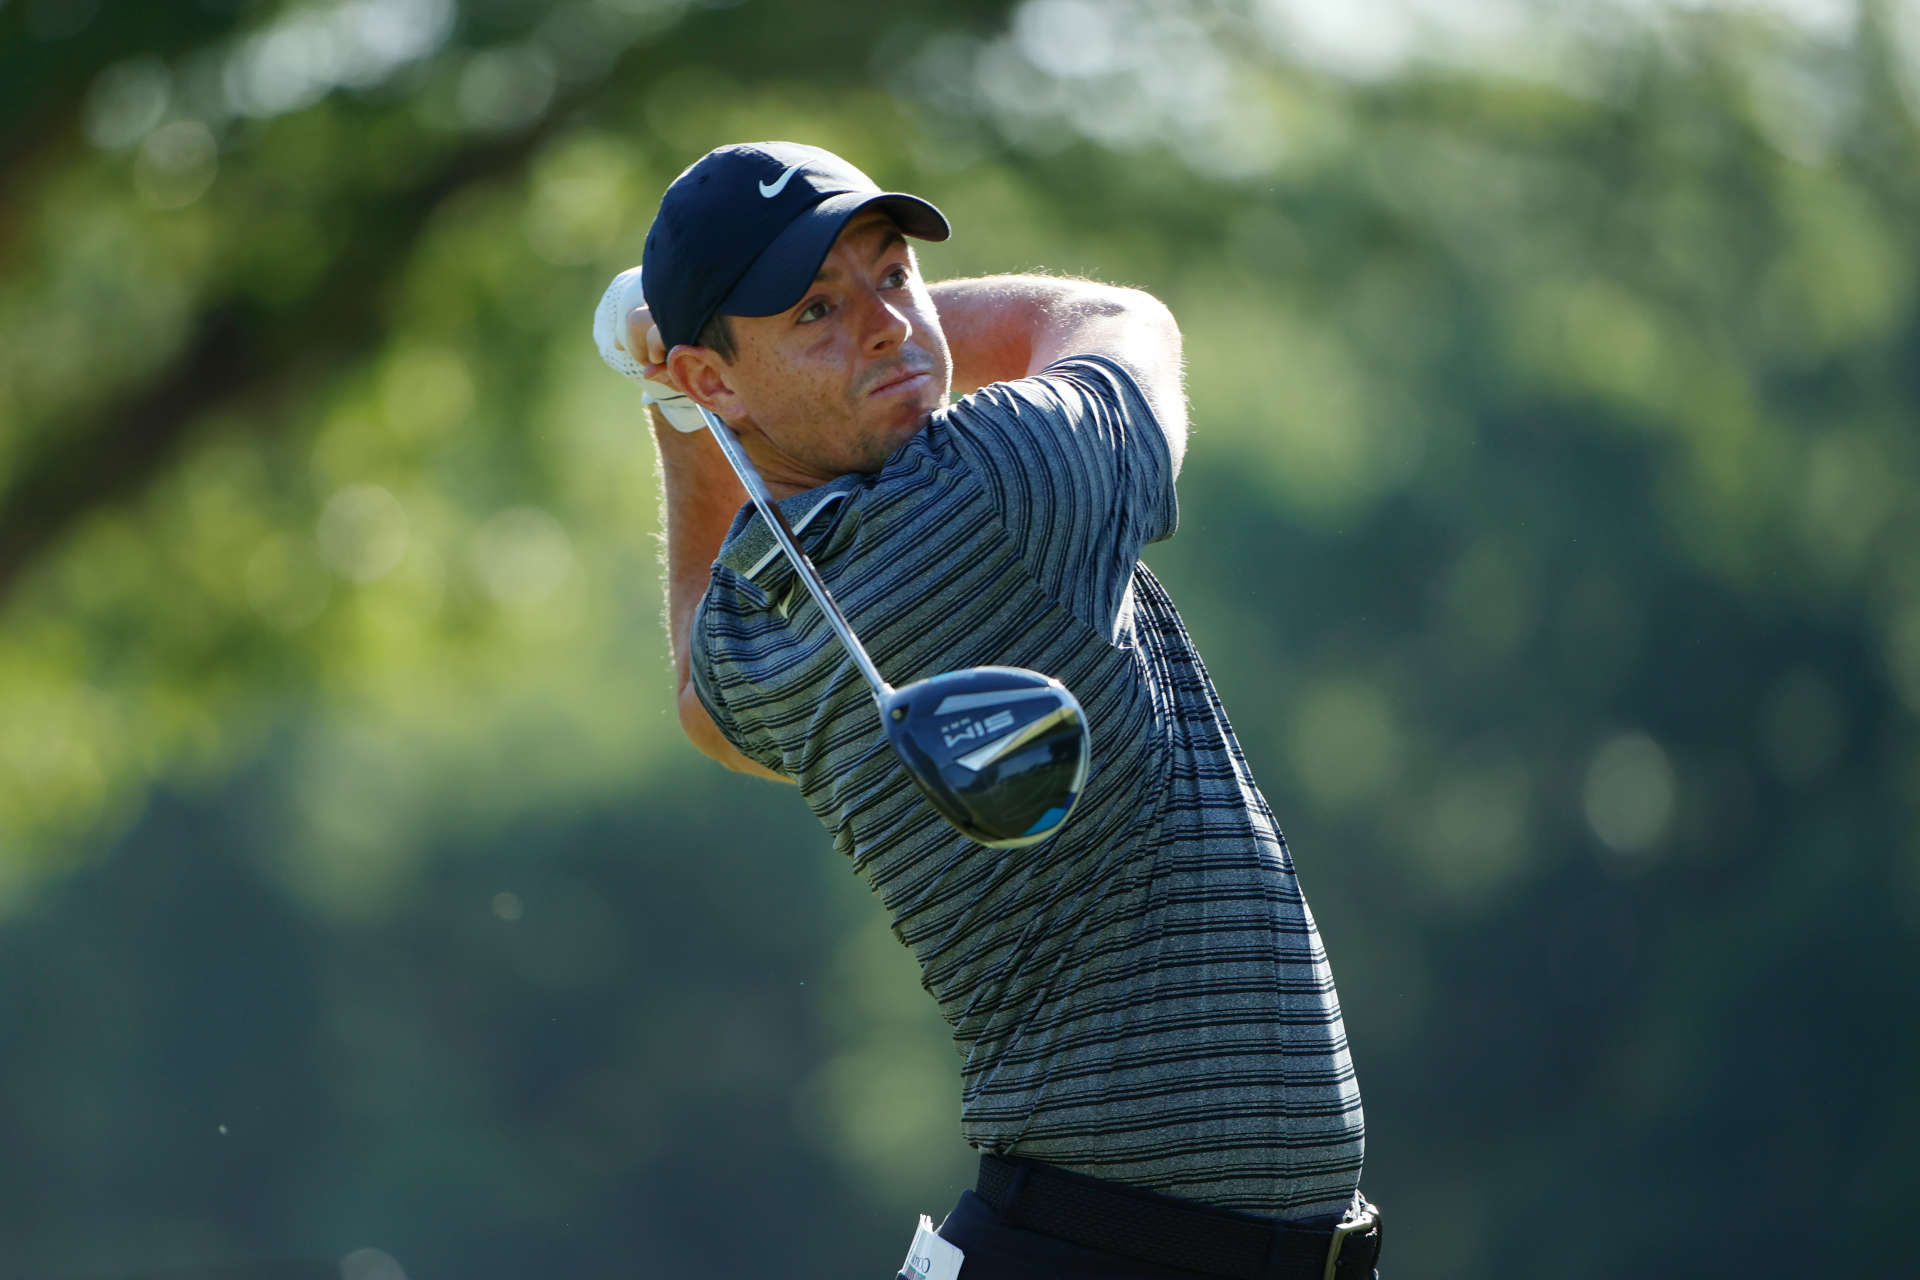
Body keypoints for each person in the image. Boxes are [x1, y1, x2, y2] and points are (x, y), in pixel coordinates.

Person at [619, 140, 1382, 1280]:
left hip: (1081, 1239)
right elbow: (1111, 316)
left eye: (893, 277)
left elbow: (696, 705)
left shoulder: (759, 628)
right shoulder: (1002, 481)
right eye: (818, 308)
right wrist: (873, 349)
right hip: (1107, 1247)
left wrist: (681, 412)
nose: (885, 324)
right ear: (716, 375)